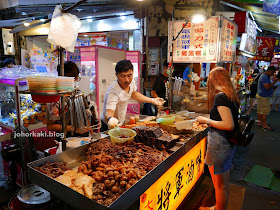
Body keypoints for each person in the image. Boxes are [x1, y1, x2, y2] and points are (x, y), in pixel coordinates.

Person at [196, 67, 240, 210]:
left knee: (219, 184)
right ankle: (217, 207)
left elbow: (228, 124)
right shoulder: (230, 94)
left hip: (220, 144)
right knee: (224, 182)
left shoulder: (220, 96)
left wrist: (206, 121)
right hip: (227, 144)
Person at [101, 60, 164, 131]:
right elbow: (109, 111)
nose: (127, 80)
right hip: (109, 124)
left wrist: (152, 100)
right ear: (116, 75)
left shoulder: (130, 82)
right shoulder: (113, 92)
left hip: (121, 121)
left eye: (129, 75)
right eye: (123, 76)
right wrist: (110, 119)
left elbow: (134, 94)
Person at [47, 61, 92, 136]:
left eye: (76, 78)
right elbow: (50, 126)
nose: (73, 82)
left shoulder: (78, 93)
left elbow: (85, 115)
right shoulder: (56, 99)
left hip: (82, 136)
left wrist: (91, 132)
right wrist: (75, 129)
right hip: (65, 138)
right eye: (71, 78)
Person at [256, 66, 278, 131]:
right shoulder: (264, 77)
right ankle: (264, 124)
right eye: (273, 72)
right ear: (270, 71)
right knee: (264, 111)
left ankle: (260, 122)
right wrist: (274, 82)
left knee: (260, 110)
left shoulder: (265, 76)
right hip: (264, 96)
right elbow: (267, 87)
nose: (273, 74)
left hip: (261, 95)